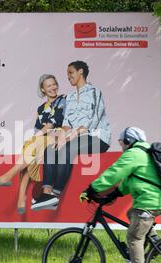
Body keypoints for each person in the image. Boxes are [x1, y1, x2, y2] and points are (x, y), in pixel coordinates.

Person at [80, 127, 161, 263]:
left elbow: (114, 173)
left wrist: (91, 189)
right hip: (158, 200)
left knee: (134, 237)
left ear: (129, 140)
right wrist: (114, 193)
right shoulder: (145, 153)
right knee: (133, 215)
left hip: (149, 202)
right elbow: (134, 181)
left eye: (122, 142)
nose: (121, 146)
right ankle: (157, 243)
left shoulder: (134, 154)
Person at [31, 60, 111, 211]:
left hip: (98, 137)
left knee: (67, 149)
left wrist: (70, 136)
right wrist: (62, 135)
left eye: (70, 72)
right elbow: (67, 122)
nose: (68, 76)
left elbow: (93, 120)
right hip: (75, 137)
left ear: (80, 72)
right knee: (51, 148)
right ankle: (46, 193)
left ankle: (56, 195)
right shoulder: (70, 97)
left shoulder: (94, 92)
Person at [0, 74, 66, 214]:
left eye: (54, 84)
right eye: (49, 85)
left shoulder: (63, 100)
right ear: (43, 90)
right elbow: (39, 127)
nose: (53, 87)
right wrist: (40, 132)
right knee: (29, 150)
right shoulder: (41, 109)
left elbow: (56, 120)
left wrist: (41, 132)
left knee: (32, 146)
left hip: (57, 137)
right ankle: (20, 197)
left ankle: (9, 179)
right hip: (43, 137)